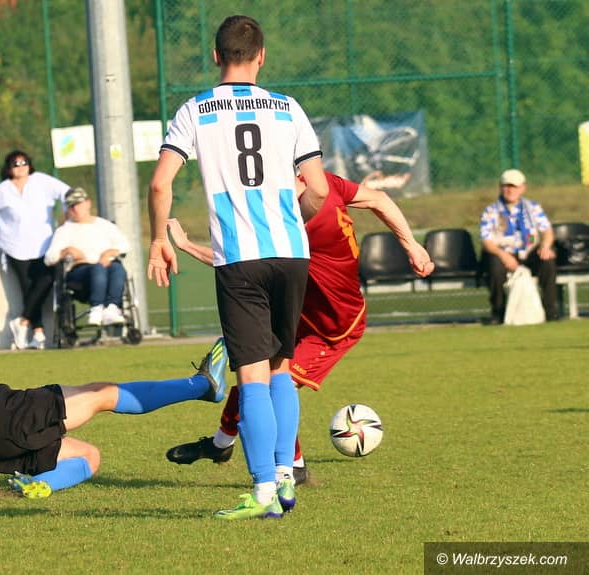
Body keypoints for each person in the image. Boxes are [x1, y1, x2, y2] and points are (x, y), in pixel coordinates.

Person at [147, 14, 329, 520]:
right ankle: (286, 479)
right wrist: (292, 220)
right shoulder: (288, 108)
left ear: (216, 56)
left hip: (240, 259)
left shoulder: (196, 110)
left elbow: (160, 183)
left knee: (251, 376)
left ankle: (264, 490)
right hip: (292, 254)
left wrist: (158, 239)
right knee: (281, 368)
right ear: (261, 57)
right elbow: (317, 188)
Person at [0, 254, 228, 498]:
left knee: (89, 457)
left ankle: (37, 486)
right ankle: (202, 386)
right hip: (0, 416)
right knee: (101, 394)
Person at [163, 172, 434, 485]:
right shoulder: (323, 184)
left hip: (333, 328)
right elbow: (379, 199)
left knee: (267, 389)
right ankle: (221, 444)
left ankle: (290, 466)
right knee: (254, 381)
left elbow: (237, 261)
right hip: (300, 314)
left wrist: (187, 246)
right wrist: (411, 245)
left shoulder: (291, 221)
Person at [0, 150, 69, 350]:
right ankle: (38, 334)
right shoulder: (0, 191)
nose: (20, 167)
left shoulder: (42, 181)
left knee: (46, 280)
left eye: (24, 162)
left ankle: (23, 321)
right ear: (8, 168)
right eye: (15, 164)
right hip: (15, 245)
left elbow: (66, 193)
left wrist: (67, 217)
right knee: (28, 288)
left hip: (44, 244)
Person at [479, 168, 558, 323]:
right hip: (502, 254)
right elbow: (486, 241)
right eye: (506, 186)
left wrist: (545, 246)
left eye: (514, 186)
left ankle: (551, 312)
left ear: (522, 188)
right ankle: (498, 313)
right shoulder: (491, 211)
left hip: (528, 252)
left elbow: (547, 231)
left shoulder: (533, 208)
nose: (510, 190)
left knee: (548, 261)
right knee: (494, 267)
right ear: (500, 187)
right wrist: (504, 256)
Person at [43, 187, 130, 326]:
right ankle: (96, 308)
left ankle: (111, 308)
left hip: (107, 266)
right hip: (80, 273)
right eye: (71, 206)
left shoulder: (105, 225)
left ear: (88, 203)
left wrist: (109, 253)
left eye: (78, 204)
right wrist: (66, 251)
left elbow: (125, 245)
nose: (75, 209)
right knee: (98, 269)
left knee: (117, 269)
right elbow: (49, 258)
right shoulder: (64, 230)